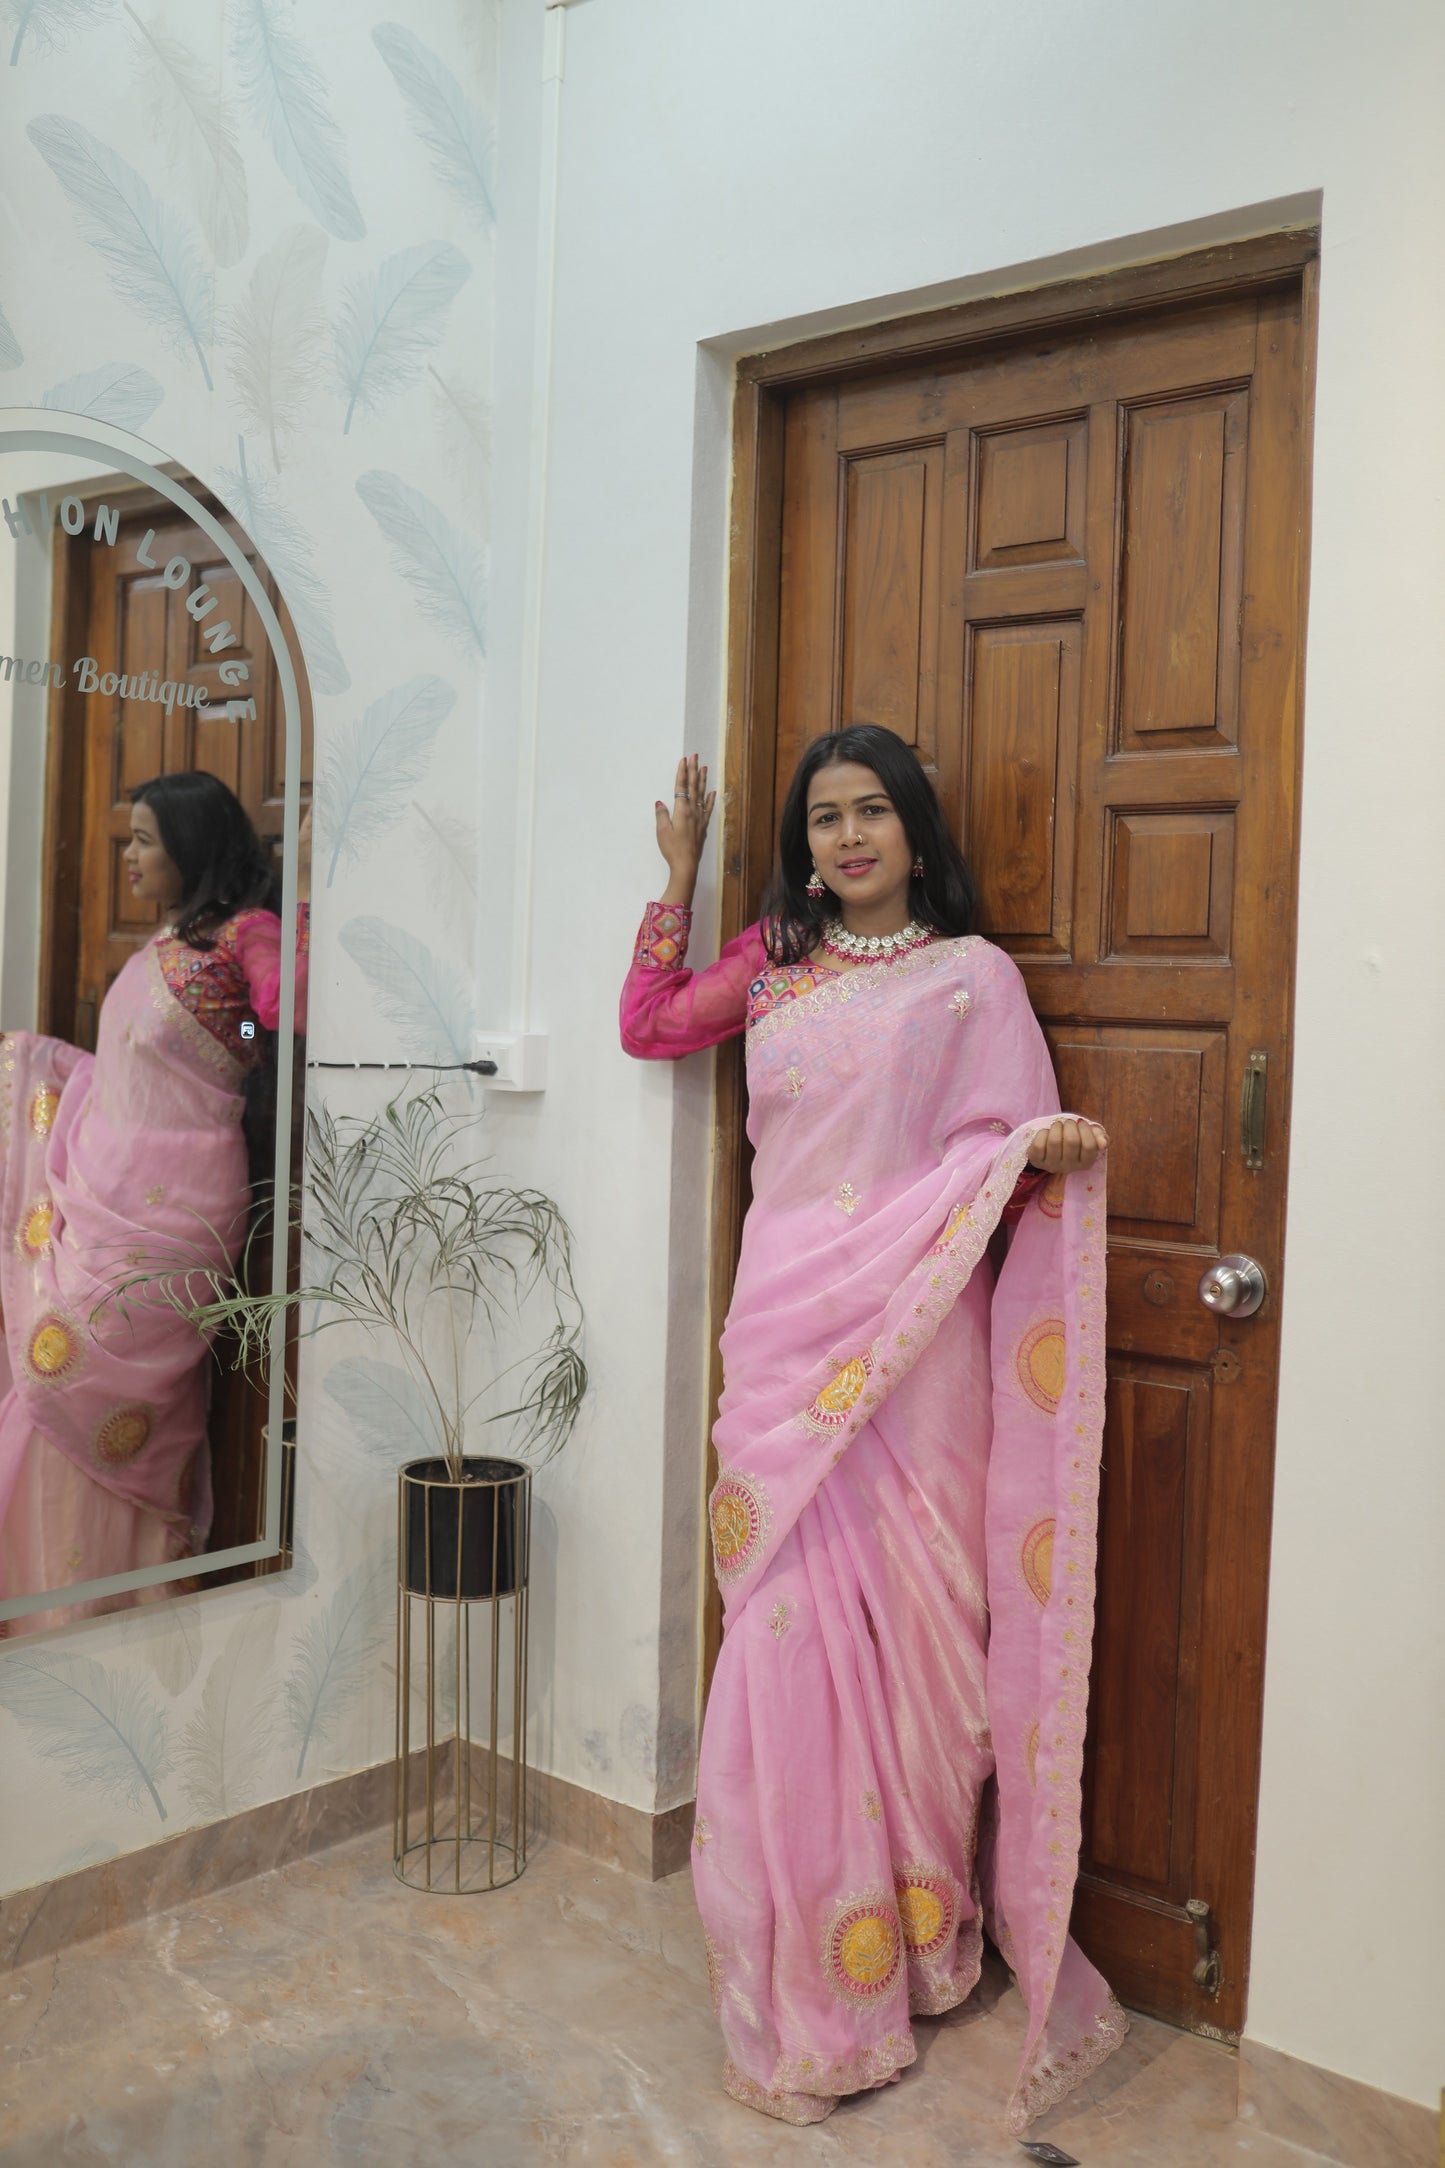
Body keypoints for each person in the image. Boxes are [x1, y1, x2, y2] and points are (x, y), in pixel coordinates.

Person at [620, 725, 1122, 2135]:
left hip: (914, 1370)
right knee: (781, 1650)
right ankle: (803, 1981)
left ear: (914, 830)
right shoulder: (773, 967)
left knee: (920, 1657)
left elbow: (998, 1162)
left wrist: (1043, 1155)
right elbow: (650, 1023)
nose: (846, 840)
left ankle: (909, 1948)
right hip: (783, 1349)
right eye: (823, 820)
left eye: (871, 815)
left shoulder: (974, 982)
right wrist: (681, 873)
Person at [0, 772, 309, 1635]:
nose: (127, 855)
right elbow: (122, 1073)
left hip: (174, 1215)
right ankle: (49, 1601)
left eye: (142, 840)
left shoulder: (245, 936)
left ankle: (113, 1606)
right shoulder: (162, 943)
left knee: (76, 1376)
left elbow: (268, 1026)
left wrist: (240, 1032)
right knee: (44, 1376)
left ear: (190, 844)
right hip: (99, 1191)